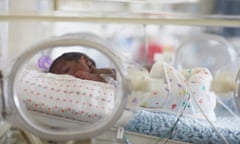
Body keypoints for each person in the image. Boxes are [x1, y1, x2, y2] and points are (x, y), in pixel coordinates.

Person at [49, 52, 116, 83]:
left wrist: (93, 77)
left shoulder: (98, 72)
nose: (67, 77)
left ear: (85, 61)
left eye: (66, 70)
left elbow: (114, 75)